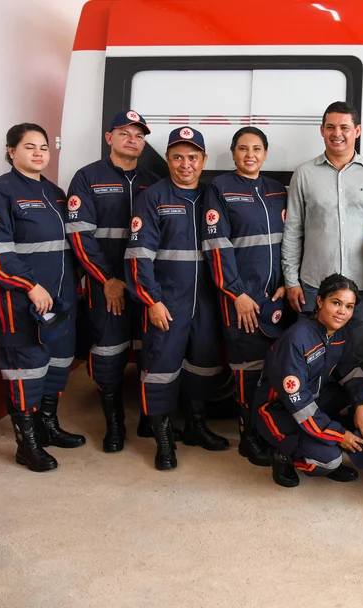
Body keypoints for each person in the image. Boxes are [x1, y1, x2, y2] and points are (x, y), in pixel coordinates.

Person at [0, 123, 84, 471]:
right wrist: (30, 286)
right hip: (21, 301)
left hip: (61, 299)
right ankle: (27, 443)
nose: (38, 153)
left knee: (58, 363)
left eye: (44, 148)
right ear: (11, 151)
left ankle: (47, 426)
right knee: (26, 369)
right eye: (29, 147)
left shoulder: (55, 193)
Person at [124, 126, 229, 470]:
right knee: (160, 370)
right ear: (168, 159)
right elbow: (139, 254)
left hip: (207, 302)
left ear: (203, 160)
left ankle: (197, 426)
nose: (186, 164)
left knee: (203, 366)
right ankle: (164, 441)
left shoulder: (212, 195)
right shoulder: (152, 197)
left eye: (193, 157)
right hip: (167, 302)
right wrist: (152, 301)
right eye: (178, 157)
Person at [65, 109, 159, 453]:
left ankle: (150, 417)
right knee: (109, 352)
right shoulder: (87, 177)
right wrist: (108, 279)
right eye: (125, 133)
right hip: (105, 286)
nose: (133, 139)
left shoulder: (153, 180)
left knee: (152, 350)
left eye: (139, 135)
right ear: (109, 138)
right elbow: (79, 235)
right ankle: (115, 425)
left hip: (145, 285)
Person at [281, 101, 363, 372]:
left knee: (358, 354)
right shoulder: (304, 173)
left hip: (362, 285)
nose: (337, 133)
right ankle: (313, 412)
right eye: (330, 127)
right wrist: (291, 280)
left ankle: (357, 410)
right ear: (321, 130)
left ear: (357, 130)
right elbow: (293, 229)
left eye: (344, 127)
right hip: (312, 284)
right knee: (309, 355)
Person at [203, 126, 287, 467]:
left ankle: (268, 431)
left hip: (277, 299)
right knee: (246, 370)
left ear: (266, 154)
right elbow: (216, 246)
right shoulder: (220, 189)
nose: (249, 154)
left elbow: (289, 242)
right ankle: (247, 436)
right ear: (234, 154)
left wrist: (287, 283)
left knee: (274, 369)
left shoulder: (278, 190)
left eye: (256, 148)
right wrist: (236, 293)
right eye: (242, 148)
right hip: (241, 301)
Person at [254, 273, 363, 488]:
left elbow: (352, 371)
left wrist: (361, 404)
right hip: (278, 410)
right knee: (329, 461)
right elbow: (299, 403)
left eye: (349, 306)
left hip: (313, 400)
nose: (342, 312)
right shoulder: (296, 339)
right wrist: (339, 435)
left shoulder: (340, 333)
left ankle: (319, 437)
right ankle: (281, 454)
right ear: (320, 301)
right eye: (336, 303)